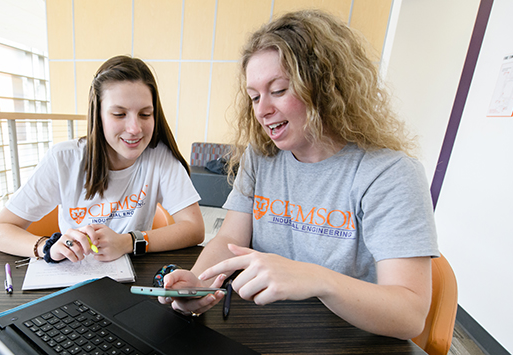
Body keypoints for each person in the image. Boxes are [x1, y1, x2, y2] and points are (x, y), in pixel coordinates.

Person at [159, 10, 439, 340]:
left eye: (278, 90)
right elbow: (229, 240)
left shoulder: (389, 175)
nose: (262, 110)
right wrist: (198, 282)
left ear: (326, 87)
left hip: (349, 339)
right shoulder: (261, 156)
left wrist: (317, 279)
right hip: (267, 331)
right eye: (254, 96)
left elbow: (409, 316)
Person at [0, 55, 205, 263]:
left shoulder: (160, 158)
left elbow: (194, 228)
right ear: (97, 115)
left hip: (130, 275)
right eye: (119, 114)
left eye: (145, 114)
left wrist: (127, 242)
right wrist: (48, 247)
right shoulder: (63, 159)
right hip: (75, 274)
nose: (135, 128)